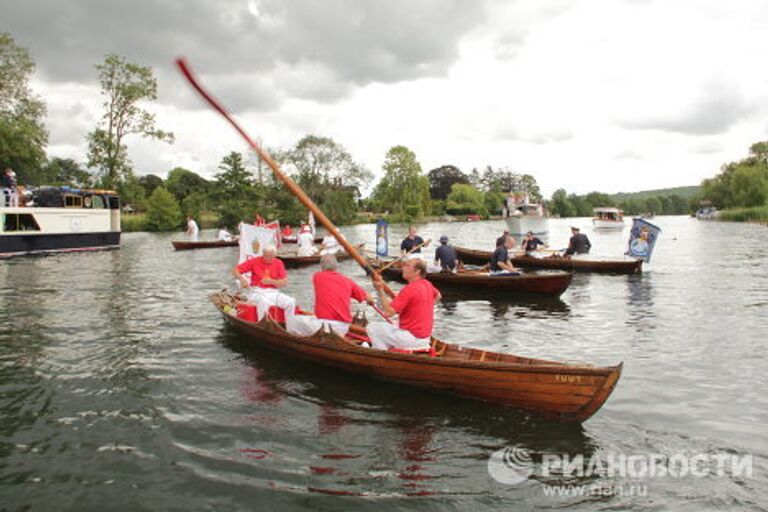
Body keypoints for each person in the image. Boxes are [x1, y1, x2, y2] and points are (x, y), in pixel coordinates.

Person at [286, 254, 374, 337]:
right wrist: (370, 301)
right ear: (336, 266)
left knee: (292, 321)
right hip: (343, 328)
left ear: (322, 266)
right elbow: (368, 297)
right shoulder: (347, 280)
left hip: (325, 326)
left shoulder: (317, 276)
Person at [367, 258, 441, 351]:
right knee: (394, 324)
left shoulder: (409, 289)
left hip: (410, 339)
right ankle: (389, 348)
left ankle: (383, 355)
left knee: (372, 327)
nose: (403, 268)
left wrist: (380, 290)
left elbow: (388, 313)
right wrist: (422, 308)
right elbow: (438, 296)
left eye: (407, 266)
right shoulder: (427, 284)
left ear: (417, 271)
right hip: (425, 339)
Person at [232, 245, 295, 321]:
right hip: (257, 291)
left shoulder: (278, 263)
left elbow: (284, 282)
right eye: (265, 256)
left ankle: (289, 326)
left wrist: (271, 281)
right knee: (264, 302)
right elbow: (235, 270)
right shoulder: (255, 261)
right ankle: (263, 325)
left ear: (275, 255)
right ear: (263, 254)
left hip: (273, 292)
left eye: (270, 256)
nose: (267, 258)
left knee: (291, 302)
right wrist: (242, 280)